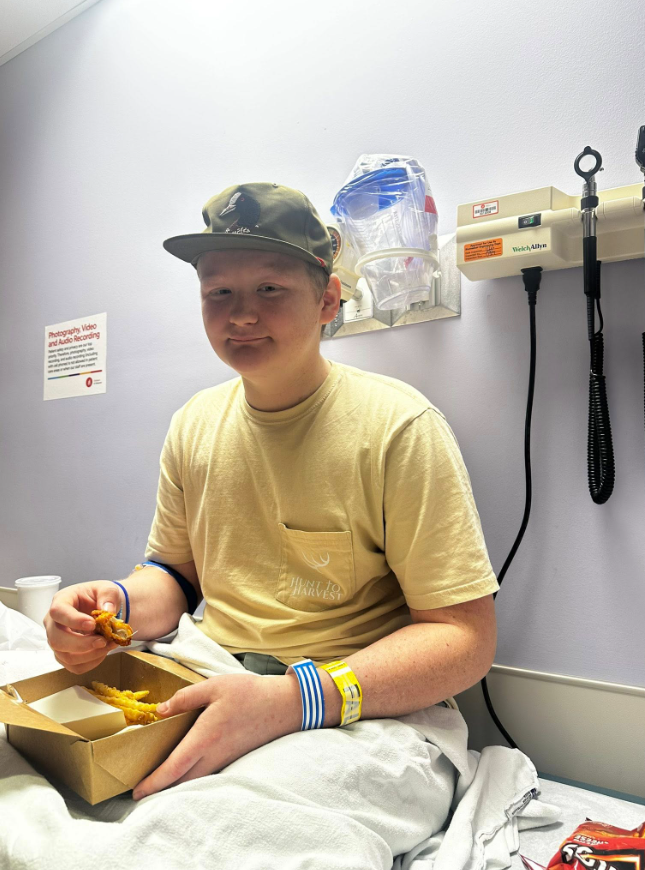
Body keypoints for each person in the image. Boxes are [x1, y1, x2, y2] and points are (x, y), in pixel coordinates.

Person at [43, 182, 499, 803]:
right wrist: (111, 607)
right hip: (215, 671)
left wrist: (290, 699)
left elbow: (464, 639)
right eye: (219, 293)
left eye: (269, 290)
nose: (241, 315)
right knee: (54, 767)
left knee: (232, 821)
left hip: (350, 702)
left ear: (327, 300)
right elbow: (176, 578)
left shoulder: (398, 427)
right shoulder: (194, 424)